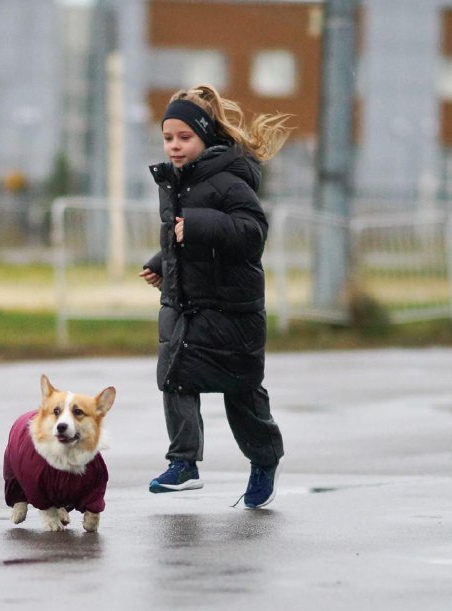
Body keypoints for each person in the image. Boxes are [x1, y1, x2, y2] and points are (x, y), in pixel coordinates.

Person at [139, 84, 291, 508]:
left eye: (184, 137)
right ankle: (183, 464)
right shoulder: (175, 182)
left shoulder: (229, 180)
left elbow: (252, 232)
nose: (174, 146)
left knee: (241, 393)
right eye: (168, 138)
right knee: (174, 378)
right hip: (185, 305)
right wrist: (162, 261)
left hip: (232, 313)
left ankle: (264, 459)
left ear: (206, 137)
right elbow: (182, 233)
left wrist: (200, 226)